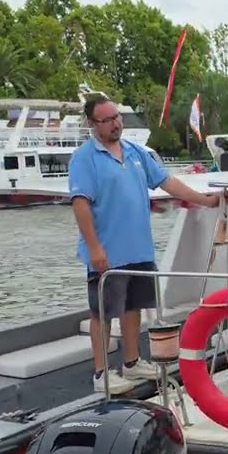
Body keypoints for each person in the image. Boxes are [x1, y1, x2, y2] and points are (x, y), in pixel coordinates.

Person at [70, 96, 219, 395]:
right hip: (107, 253)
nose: (116, 123)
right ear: (92, 124)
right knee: (103, 313)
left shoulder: (136, 152)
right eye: (107, 120)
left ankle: (131, 361)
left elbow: (167, 182)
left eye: (118, 117)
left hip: (138, 249)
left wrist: (205, 200)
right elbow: (80, 203)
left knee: (133, 307)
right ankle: (101, 373)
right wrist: (95, 248)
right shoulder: (84, 158)